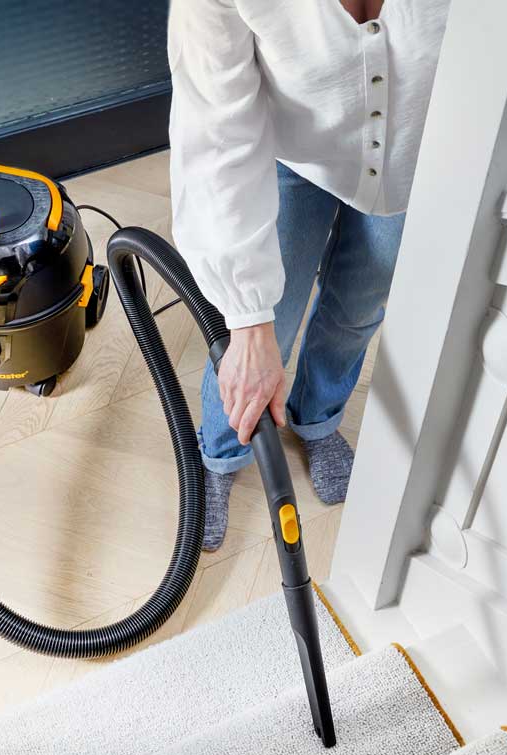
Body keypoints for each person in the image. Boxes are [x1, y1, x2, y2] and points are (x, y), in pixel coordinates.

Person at [167, 0, 451, 549]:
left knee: (360, 306)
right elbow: (214, 135)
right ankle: (220, 454)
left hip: (414, 151)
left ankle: (317, 419)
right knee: (263, 326)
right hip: (288, 151)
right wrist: (249, 321)